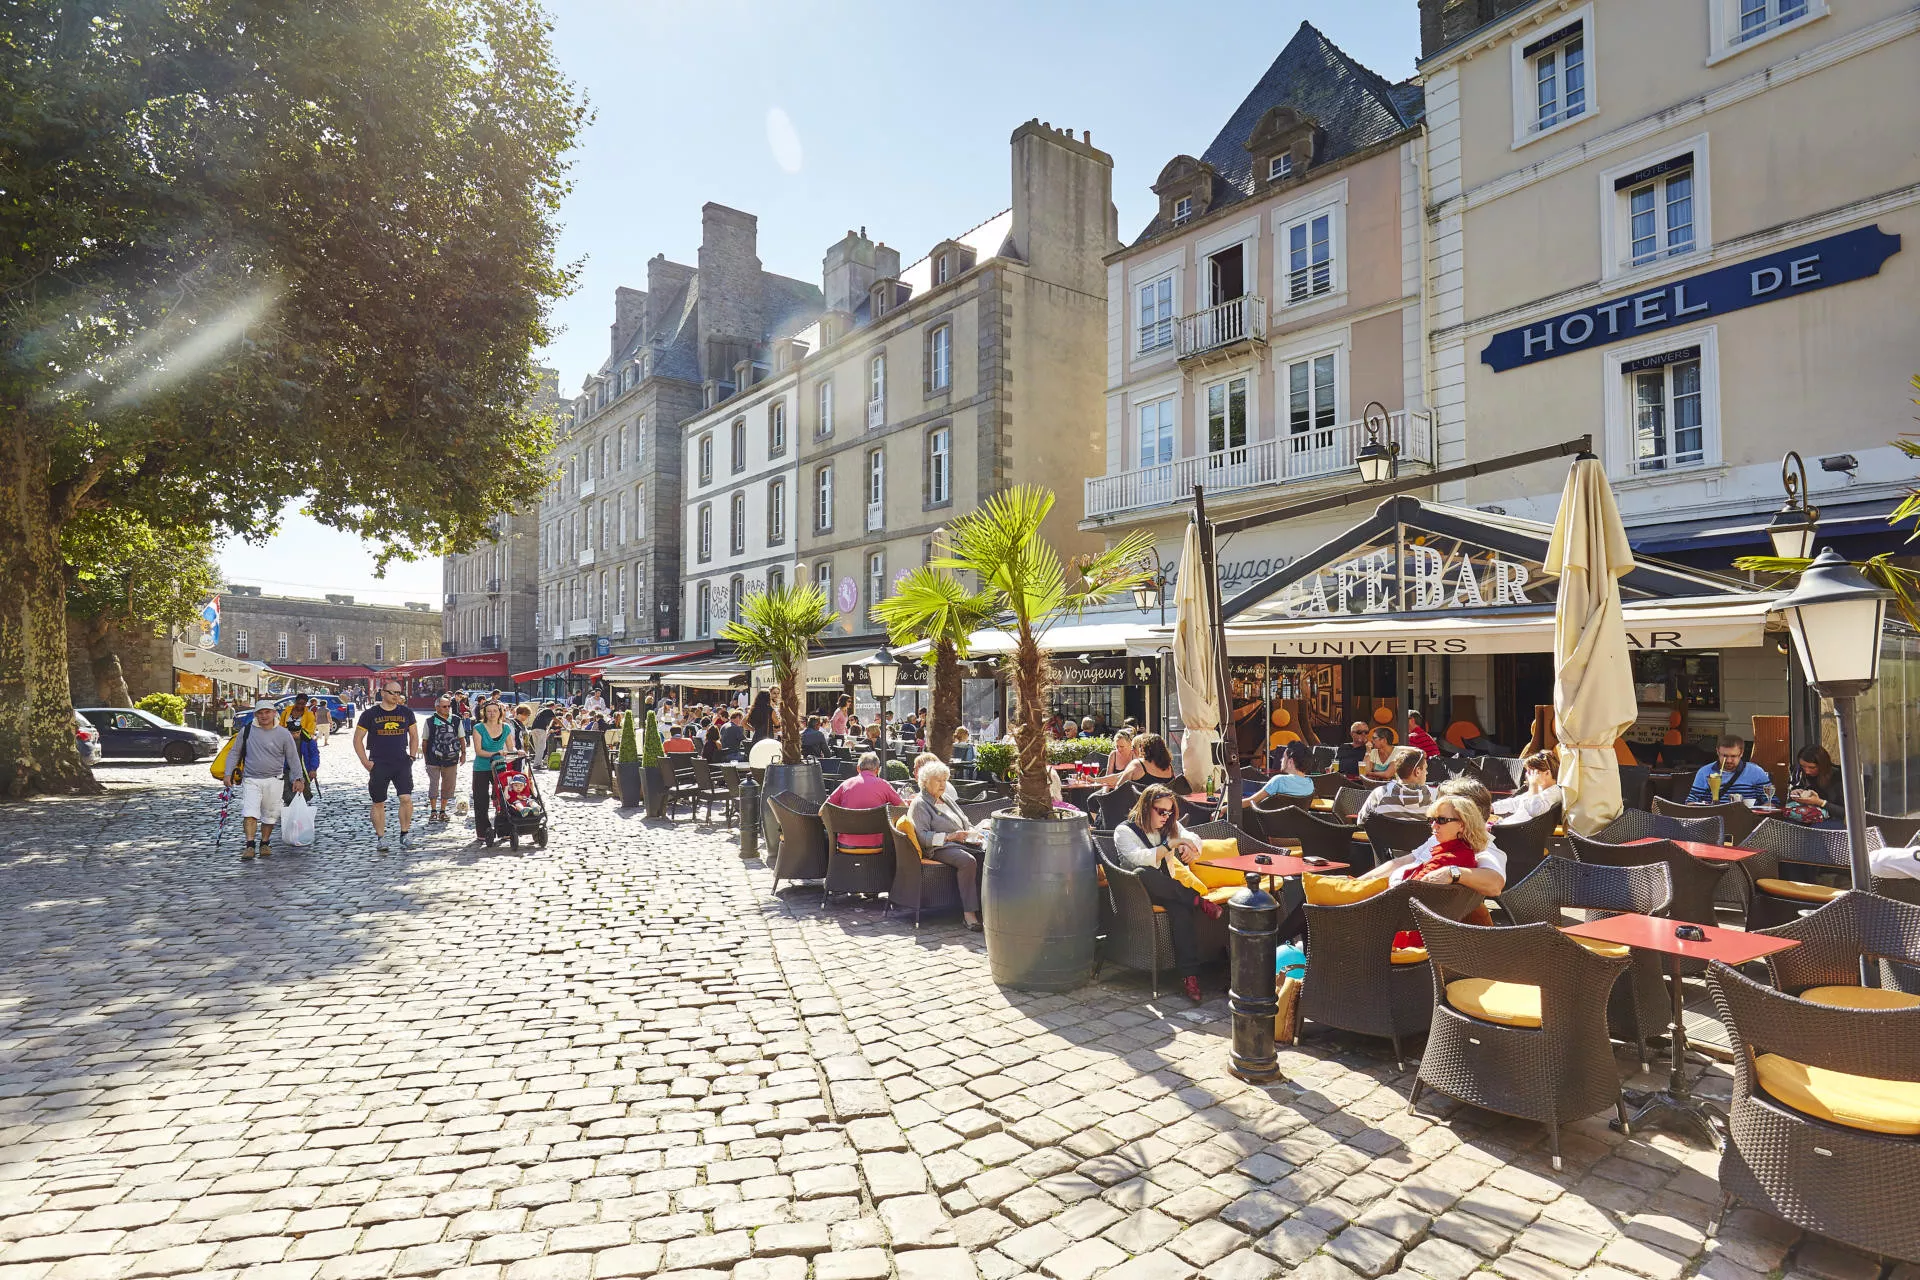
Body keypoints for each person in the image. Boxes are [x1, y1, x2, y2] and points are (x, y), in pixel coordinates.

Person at [1111, 784, 1224, 1004]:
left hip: (1170, 892)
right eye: (1161, 811)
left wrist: (1190, 847)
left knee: (1181, 913)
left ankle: (1190, 978)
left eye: (1170, 812)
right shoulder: (1124, 831)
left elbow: (1192, 836)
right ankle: (1197, 899)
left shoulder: (1169, 826)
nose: (1166, 816)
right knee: (1143, 872)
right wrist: (1168, 844)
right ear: (1146, 807)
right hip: (1138, 894)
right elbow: (1140, 858)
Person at [1352, 793, 1505, 950]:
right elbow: (1401, 862)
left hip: (1405, 937)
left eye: (1441, 820)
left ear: (1463, 824)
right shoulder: (1448, 848)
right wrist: (1357, 883)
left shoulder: (1449, 859)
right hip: (1417, 929)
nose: (1433, 826)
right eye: (1432, 820)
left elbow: (1405, 897)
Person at [223, 698, 306, 860]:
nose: (264, 716)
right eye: (260, 713)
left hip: (275, 780)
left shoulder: (283, 734)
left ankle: (265, 843)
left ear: (274, 713)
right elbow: (234, 752)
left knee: (270, 814)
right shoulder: (246, 731)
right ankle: (250, 845)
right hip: (251, 779)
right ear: (256, 715)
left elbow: (293, 757)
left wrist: (298, 778)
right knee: (250, 812)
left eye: (267, 712)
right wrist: (228, 773)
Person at [908, 761, 984, 930]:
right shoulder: (920, 803)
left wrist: (973, 833)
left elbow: (965, 821)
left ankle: (985, 908)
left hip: (961, 842)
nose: (943, 784)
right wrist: (950, 837)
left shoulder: (946, 798)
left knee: (987, 854)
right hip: (939, 847)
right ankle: (969, 914)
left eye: (944, 780)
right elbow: (922, 836)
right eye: (938, 780)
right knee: (967, 861)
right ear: (925, 781)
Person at [354, 681, 419, 853]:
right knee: (378, 802)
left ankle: (404, 834)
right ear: (383, 693)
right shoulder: (370, 714)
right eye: (393, 693)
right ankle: (381, 838)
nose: (396, 696)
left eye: (399, 693)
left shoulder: (406, 712)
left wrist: (411, 756)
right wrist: (365, 761)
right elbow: (357, 739)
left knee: (406, 798)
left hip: (401, 762)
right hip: (379, 762)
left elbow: (414, 736)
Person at [827, 752, 905, 850]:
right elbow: (903, 808)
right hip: (879, 845)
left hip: (846, 845)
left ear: (858, 769)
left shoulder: (845, 785)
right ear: (877, 770)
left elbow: (822, 811)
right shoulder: (884, 785)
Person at [469, 701, 516, 847]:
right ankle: (483, 831)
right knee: (481, 799)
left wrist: (516, 752)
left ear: (500, 712)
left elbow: (511, 747)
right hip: (482, 767)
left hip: (500, 766)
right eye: (489, 711)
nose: (492, 714)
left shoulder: (506, 727)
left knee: (503, 798)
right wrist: (496, 753)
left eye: (495, 711)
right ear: (484, 713)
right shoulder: (478, 728)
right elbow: (479, 751)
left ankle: (504, 828)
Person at [1687, 734, 1772, 803]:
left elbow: (1771, 801)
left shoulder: (1755, 771)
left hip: (1748, 820)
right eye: (1724, 756)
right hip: (1714, 819)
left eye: (1733, 756)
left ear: (1741, 753)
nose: (1728, 760)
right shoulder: (1704, 772)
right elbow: (1691, 801)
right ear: (1717, 752)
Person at [1355, 748, 1435, 822]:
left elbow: (1361, 821)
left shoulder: (1380, 794)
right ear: (1417, 771)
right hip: (1421, 837)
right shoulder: (1434, 796)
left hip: (1384, 837)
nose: (1427, 773)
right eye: (1425, 769)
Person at [421, 696, 466, 823]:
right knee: (435, 784)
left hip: (447, 758)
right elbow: (424, 741)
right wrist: (426, 758)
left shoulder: (455, 720)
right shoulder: (431, 721)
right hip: (435, 758)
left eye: (449, 706)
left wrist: (464, 753)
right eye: (444, 706)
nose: (447, 709)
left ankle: (441, 811)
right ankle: (435, 811)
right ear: (437, 708)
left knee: (447, 784)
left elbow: (462, 738)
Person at [1102, 731, 1187, 794]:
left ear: (1145, 748)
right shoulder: (1169, 767)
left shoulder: (1137, 764)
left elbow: (1119, 787)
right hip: (1162, 808)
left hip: (1137, 808)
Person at [1493, 751, 1564, 822]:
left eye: (1531, 772)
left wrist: (1533, 784)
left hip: (1514, 830)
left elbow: (1534, 810)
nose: (1527, 774)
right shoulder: (1540, 789)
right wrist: (1492, 807)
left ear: (1547, 773)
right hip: (1508, 825)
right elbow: (1515, 802)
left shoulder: (1554, 793)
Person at [1786, 744, 1842, 824]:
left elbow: (1847, 812)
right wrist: (1796, 792)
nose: (1807, 771)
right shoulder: (1803, 774)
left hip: (1835, 820)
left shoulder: (1839, 777)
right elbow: (1798, 788)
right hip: (1809, 817)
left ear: (1822, 765)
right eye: (1803, 766)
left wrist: (1820, 802)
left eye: (1812, 767)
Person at [286, 692, 322, 789]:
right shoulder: (287, 711)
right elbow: (281, 725)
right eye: (298, 703)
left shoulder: (309, 715)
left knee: (304, 790)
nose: (300, 706)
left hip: (303, 744)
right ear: (295, 702)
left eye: (303, 704)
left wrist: (313, 768)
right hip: (286, 742)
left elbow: (311, 730)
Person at [529, 702, 556, 769]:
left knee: (538, 748)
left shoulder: (541, 711)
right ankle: (537, 764)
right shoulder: (549, 710)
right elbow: (556, 719)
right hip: (540, 729)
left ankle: (538, 763)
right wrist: (564, 726)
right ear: (553, 706)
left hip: (534, 729)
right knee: (541, 747)